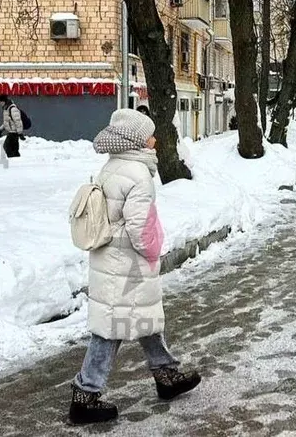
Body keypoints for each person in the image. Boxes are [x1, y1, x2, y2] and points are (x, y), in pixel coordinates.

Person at [69, 109, 201, 424]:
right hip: (127, 263)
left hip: (111, 258)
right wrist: (154, 250)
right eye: (150, 135)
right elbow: (140, 229)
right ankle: (85, 395)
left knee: (146, 319)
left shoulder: (112, 167)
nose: (155, 139)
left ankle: (166, 375)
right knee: (111, 329)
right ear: (137, 140)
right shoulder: (138, 174)